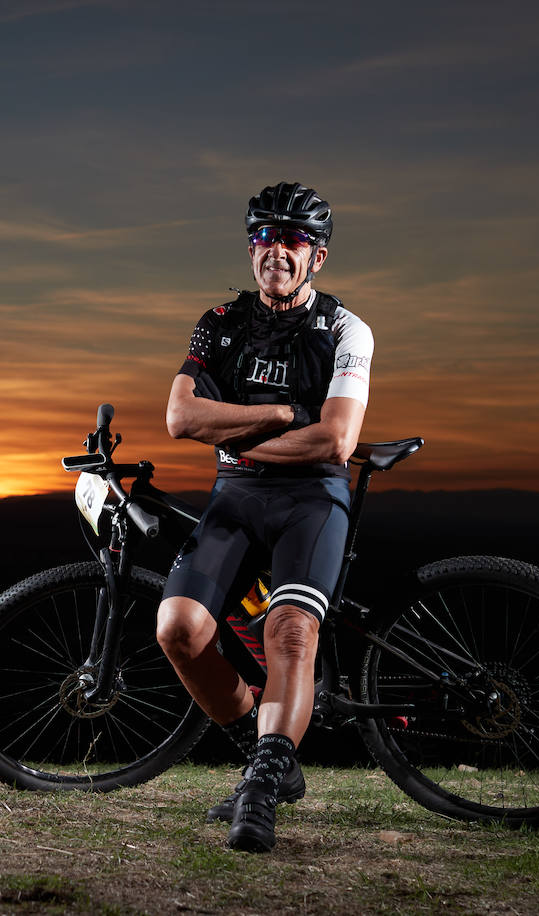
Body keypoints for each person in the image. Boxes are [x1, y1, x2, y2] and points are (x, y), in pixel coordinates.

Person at [155, 181, 373, 853]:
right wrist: (278, 416)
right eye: (263, 237)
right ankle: (267, 751)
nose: (275, 251)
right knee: (179, 629)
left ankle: (260, 789)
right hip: (238, 497)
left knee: (288, 633)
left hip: (314, 498)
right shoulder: (221, 322)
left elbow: (335, 441)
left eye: (293, 240)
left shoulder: (345, 329)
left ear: (319, 257)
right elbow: (180, 417)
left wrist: (232, 432)